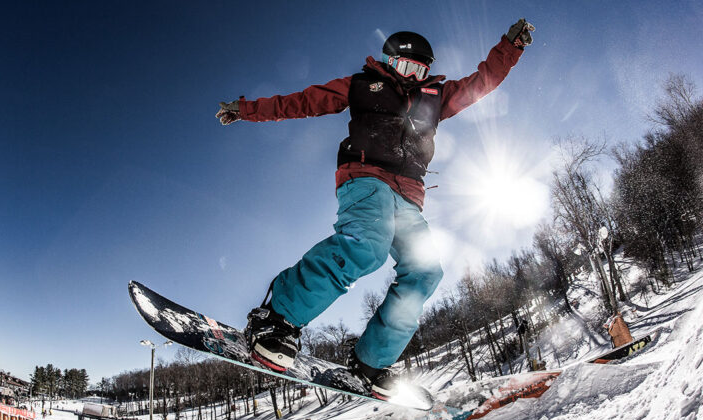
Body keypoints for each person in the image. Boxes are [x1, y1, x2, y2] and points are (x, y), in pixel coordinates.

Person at [219, 19, 534, 399]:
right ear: (390, 62)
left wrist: (510, 47)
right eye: (406, 67)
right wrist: (246, 109)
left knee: (426, 272)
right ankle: (277, 321)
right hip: (366, 179)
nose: (413, 76)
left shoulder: (436, 96)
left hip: (410, 195)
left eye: (420, 70)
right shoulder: (362, 84)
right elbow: (302, 101)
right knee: (367, 245)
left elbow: (482, 82)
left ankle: (372, 361)